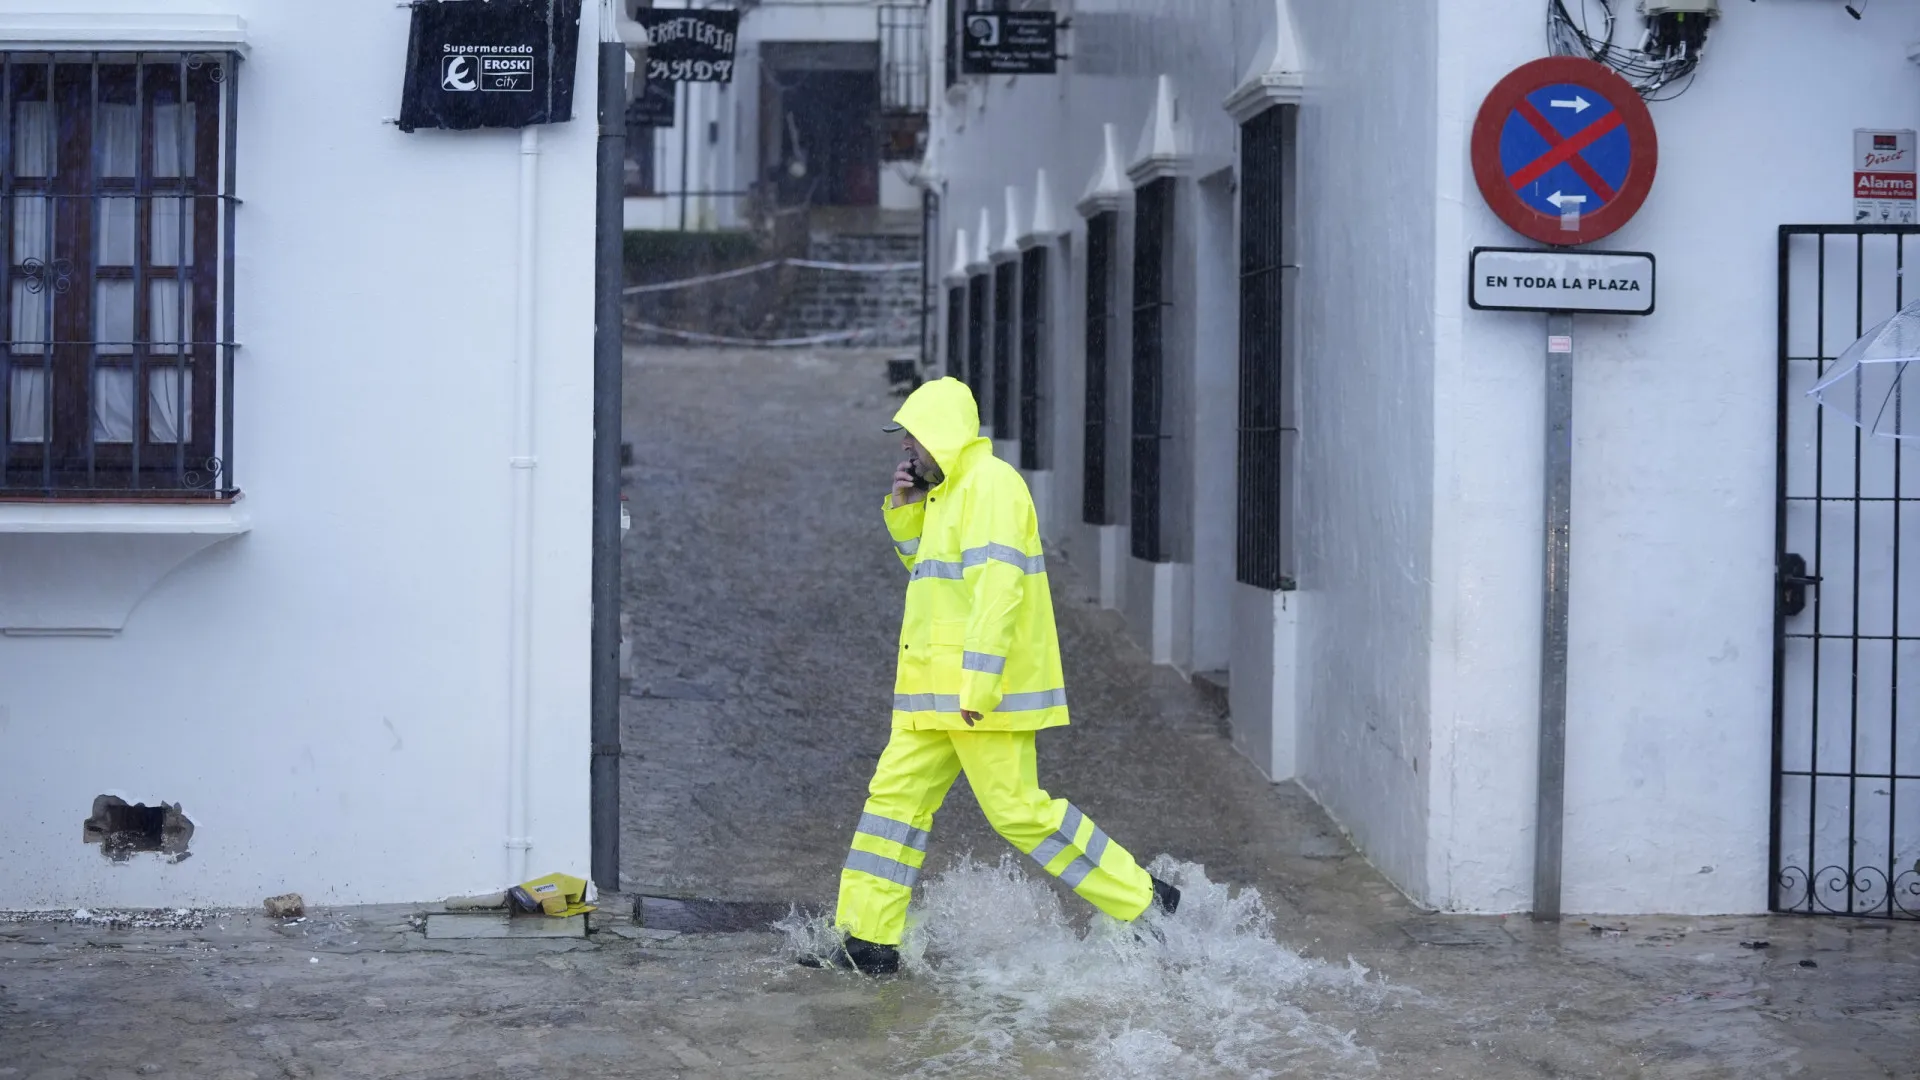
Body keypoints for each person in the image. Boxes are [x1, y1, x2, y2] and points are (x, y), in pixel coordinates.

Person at [803, 376, 1180, 976]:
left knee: (1017, 811)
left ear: (942, 435)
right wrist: (905, 513)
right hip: (931, 691)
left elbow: (998, 592)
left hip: (973, 692)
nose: (905, 448)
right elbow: (931, 576)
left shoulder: (992, 486)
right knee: (893, 805)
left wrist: (978, 683)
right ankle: (868, 938)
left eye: (913, 437)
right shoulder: (946, 493)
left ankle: (1141, 897)